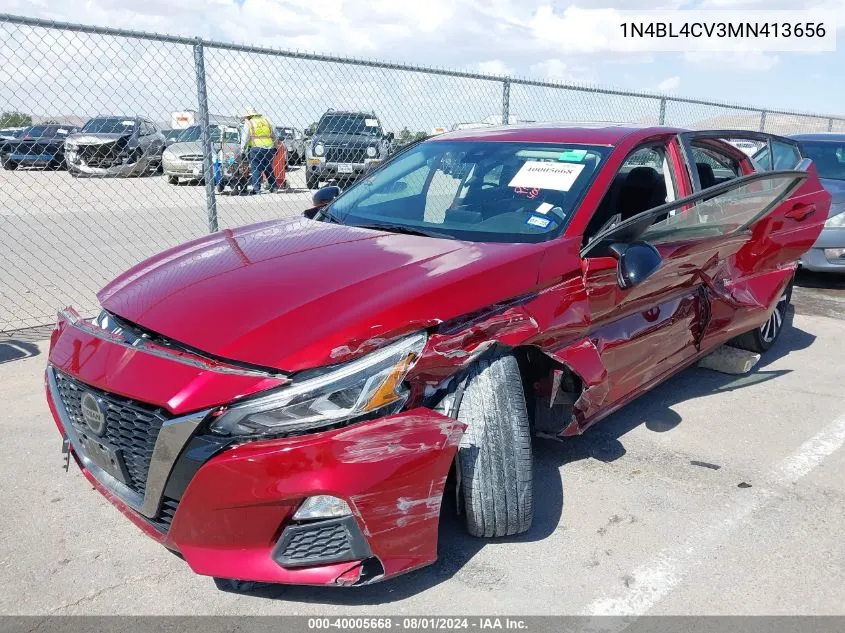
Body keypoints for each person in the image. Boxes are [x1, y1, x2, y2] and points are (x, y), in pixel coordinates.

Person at [240, 106, 278, 194]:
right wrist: (275, 147)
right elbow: (274, 136)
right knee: (268, 168)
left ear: (248, 116)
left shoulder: (249, 123)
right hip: (269, 148)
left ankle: (256, 189)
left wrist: (242, 150)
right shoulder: (266, 121)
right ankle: (274, 187)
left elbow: (245, 138)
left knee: (256, 168)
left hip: (256, 148)